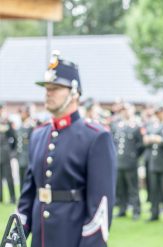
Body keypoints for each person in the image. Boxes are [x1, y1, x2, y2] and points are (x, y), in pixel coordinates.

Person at [16, 52, 116, 246]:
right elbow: (28, 196)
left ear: (74, 93)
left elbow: (100, 207)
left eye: (55, 88)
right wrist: (15, 237)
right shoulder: (38, 134)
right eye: (46, 87)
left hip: (72, 237)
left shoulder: (95, 137)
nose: (48, 92)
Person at [112, 103, 143, 220]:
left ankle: (136, 210)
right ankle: (122, 209)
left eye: (127, 110)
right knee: (120, 188)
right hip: (119, 161)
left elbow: (141, 145)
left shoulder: (135, 126)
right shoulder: (117, 125)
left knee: (133, 188)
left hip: (130, 161)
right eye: (123, 110)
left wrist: (134, 156)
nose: (125, 112)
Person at [16, 104, 37, 190]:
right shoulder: (21, 126)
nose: (21, 115)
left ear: (27, 113)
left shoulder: (31, 127)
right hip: (21, 157)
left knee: (27, 180)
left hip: (28, 157)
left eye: (22, 113)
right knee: (21, 180)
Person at [0, 101, 17, 204]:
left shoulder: (7, 122)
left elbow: (13, 137)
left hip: (6, 153)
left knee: (8, 176)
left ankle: (13, 198)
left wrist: (10, 150)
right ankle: (0, 198)